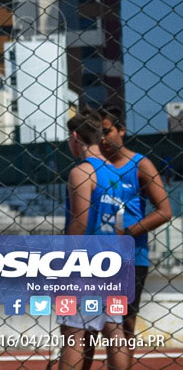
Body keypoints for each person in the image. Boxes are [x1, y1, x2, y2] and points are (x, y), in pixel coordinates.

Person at [98, 107, 172, 365]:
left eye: (107, 131)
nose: (103, 139)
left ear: (121, 130)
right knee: (86, 327)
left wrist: (127, 233)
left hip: (129, 257)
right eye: (98, 133)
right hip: (94, 256)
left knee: (123, 324)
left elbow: (164, 211)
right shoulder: (93, 167)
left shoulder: (140, 165)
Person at [56, 109, 128, 370]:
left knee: (73, 332)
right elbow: (120, 221)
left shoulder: (81, 172)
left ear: (75, 136)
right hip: (113, 258)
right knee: (114, 328)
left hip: (85, 262)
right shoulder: (115, 173)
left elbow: (80, 221)